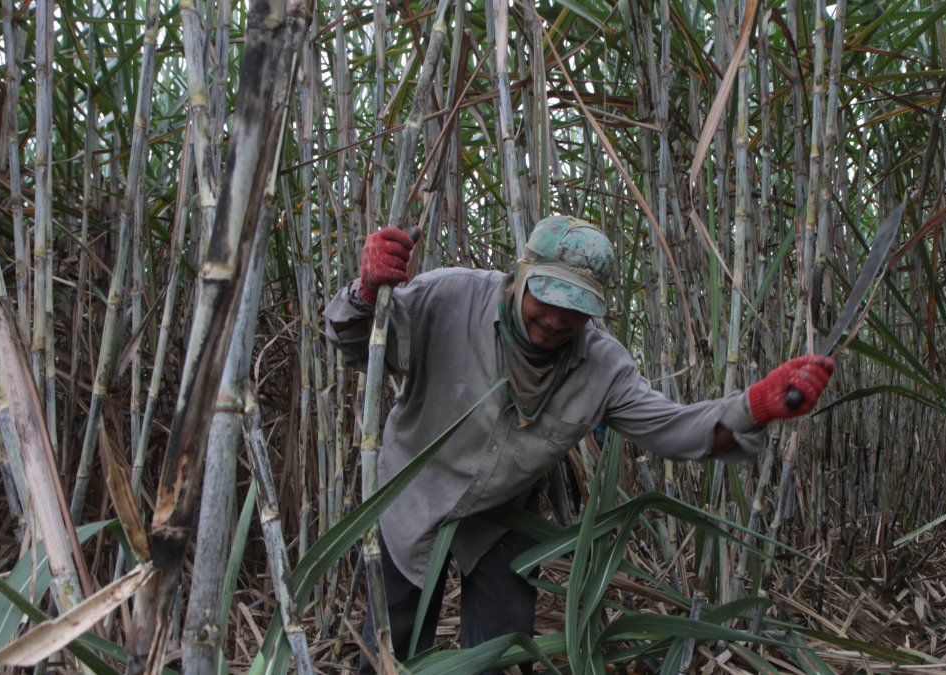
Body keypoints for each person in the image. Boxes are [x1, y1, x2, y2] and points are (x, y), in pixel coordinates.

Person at [325, 216, 834, 673]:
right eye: (545, 297)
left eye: (575, 308)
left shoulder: (601, 367)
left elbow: (674, 429)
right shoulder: (448, 298)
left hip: (503, 512)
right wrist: (370, 290)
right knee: (392, 651)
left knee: (502, 652)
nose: (556, 320)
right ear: (519, 275)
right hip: (413, 495)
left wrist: (757, 405)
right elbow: (354, 344)